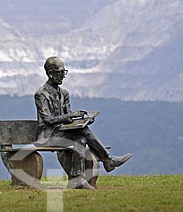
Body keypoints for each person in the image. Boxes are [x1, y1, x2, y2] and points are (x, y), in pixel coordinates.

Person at [34, 56, 132, 189]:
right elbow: (48, 120)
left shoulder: (64, 93)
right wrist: (70, 116)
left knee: (80, 138)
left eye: (64, 72)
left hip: (63, 133)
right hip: (49, 136)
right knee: (81, 135)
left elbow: (68, 118)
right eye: (60, 72)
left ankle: (77, 179)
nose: (63, 76)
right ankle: (108, 161)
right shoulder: (41, 94)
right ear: (50, 74)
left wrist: (83, 120)